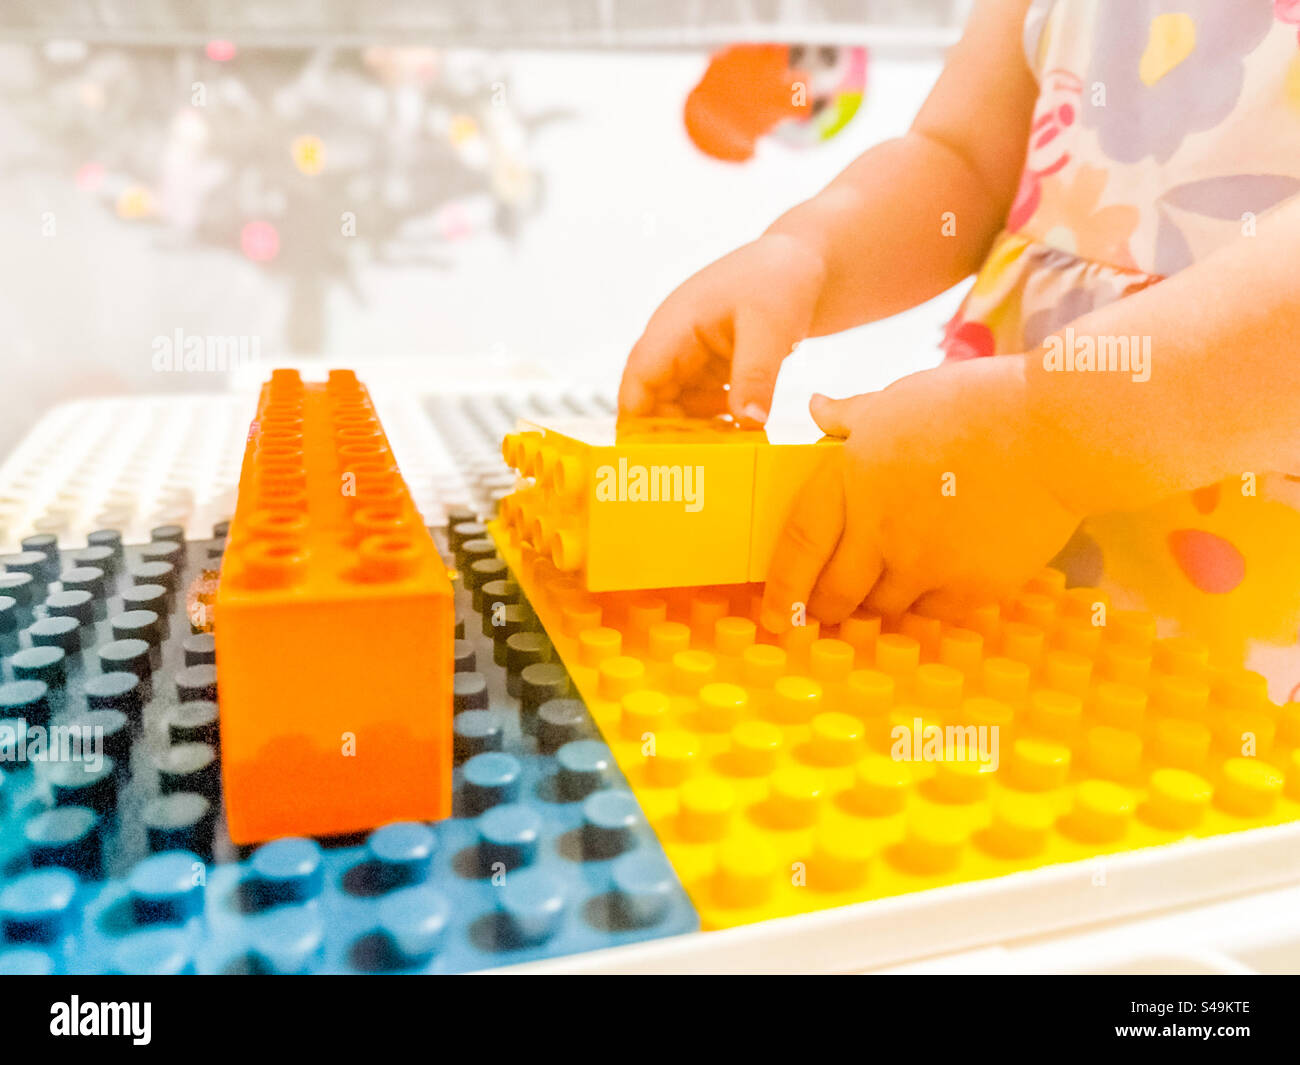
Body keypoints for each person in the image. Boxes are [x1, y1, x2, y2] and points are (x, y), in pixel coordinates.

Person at [618, 0, 1300, 699]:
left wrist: (1046, 438)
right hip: (990, 596)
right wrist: (809, 255)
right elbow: (963, 163)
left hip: (1235, 665)